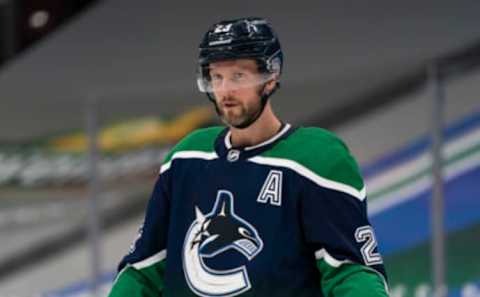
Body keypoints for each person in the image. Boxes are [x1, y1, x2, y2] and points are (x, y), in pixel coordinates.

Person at [108, 17, 389, 297]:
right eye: (217, 77)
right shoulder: (186, 158)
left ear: (271, 78)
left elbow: (350, 271)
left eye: (238, 77)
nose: (226, 91)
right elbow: (144, 269)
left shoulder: (317, 161)